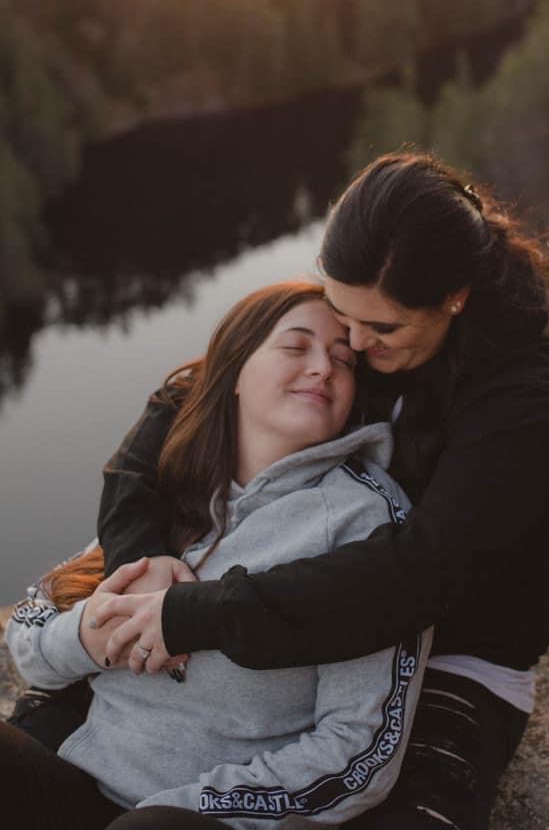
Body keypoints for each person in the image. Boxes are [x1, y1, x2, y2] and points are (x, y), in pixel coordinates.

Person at [86, 151, 549, 830]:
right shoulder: (361, 325)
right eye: (341, 314)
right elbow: (182, 405)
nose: (351, 342)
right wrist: (143, 567)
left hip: (451, 661)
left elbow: (415, 578)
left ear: (455, 297)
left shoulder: (530, 410)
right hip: (287, 630)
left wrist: (202, 614)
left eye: (380, 329)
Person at [3, 281, 432, 830]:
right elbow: (31, 638)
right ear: (233, 371)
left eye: (343, 360)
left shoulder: (366, 520)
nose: (323, 368)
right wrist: (87, 636)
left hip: (205, 818)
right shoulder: (169, 487)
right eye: (296, 347)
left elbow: (359, 750)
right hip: (76, 783)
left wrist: (183, 808)